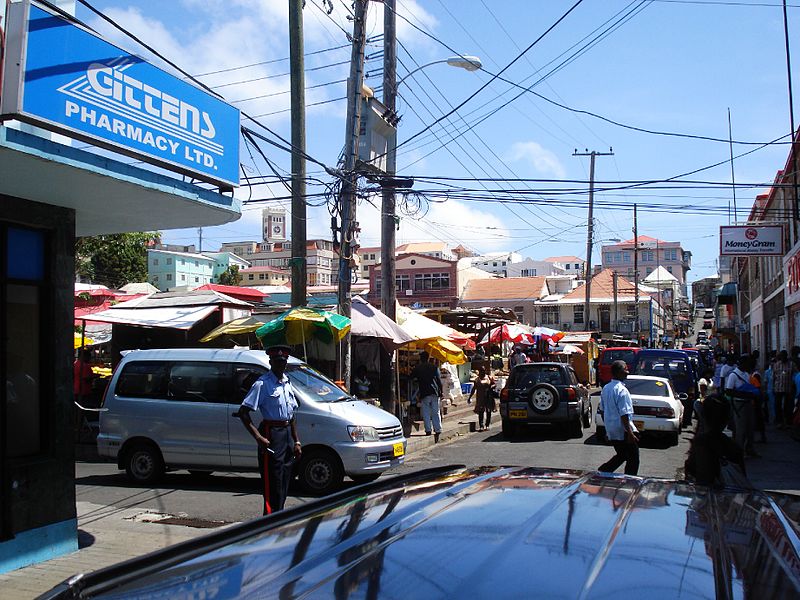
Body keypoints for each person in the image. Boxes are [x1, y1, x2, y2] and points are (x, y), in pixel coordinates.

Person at [238, 345, 302, 515]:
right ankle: (270, 523)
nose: (281, 364)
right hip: (271, 433)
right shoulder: (263, 384)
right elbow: (244, 412)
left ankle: (278, 518)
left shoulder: (287, 382)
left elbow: (291, 414)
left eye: (283, 361)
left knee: (284, 481)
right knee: (272, 483)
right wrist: (258, 437)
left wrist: (296, 441)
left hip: (287, 433)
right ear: (271, 362)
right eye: (277, 361)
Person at [685, 393, 746, 487]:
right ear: (727, 419)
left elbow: (704, 479)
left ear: (703, 416)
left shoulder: (702, 443)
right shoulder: (734, 447)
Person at [598, 360, 640, 476]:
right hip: (623, 431)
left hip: (613, 430)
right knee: (633, 458)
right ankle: (630, 480)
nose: (628, 372)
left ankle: (602, 472)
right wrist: (630, 433)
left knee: (622, 455)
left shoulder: (606, 388)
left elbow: (602, 410)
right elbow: (624, 413)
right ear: (618, 372)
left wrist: (608, 428)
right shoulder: (622, 390)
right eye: (625, 369)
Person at [725, 354, 759, 458]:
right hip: (739, 404)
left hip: (748, 403)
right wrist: (745, 394)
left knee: (750, 427)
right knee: (740, 429)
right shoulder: (733, 375)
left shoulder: (746, 374)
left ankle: (750, 448)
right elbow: (729, 391)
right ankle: (739, 451)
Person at [411, 352, 443, 442]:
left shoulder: (418, 368)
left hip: (424, 392)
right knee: (435, 411)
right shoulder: (434, 367)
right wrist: (441, 391)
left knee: (425, 412)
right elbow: (439, 380)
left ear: (421, 359)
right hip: (434, 391)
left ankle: (428, 430)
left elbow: (410, 377)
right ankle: (438, 429)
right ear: (428, 358)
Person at [467, 367, 495, 431]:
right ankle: (481, 426)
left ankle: (487, 425)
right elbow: (473, 389)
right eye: (481, 371)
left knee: (488, 411)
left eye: (483, 371)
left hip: (488, 396)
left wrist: (491, 387)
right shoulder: (477, 380)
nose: (482, 372)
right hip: (480, 397)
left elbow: (494, 384)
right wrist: (470, 397)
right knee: (481, 411)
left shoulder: (489, 378)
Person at [773, 350, 793, 428]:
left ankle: (787, 421)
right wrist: (773, 388)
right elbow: (774, 377)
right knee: (777, 405)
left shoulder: (791, 364)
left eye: (784, 356)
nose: (783, 358)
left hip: (788, 388)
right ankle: (779, 421)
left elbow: (796, 374)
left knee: (787, 406)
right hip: (778, 388)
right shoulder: (776, 365)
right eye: (782, 356)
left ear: (786, 356)